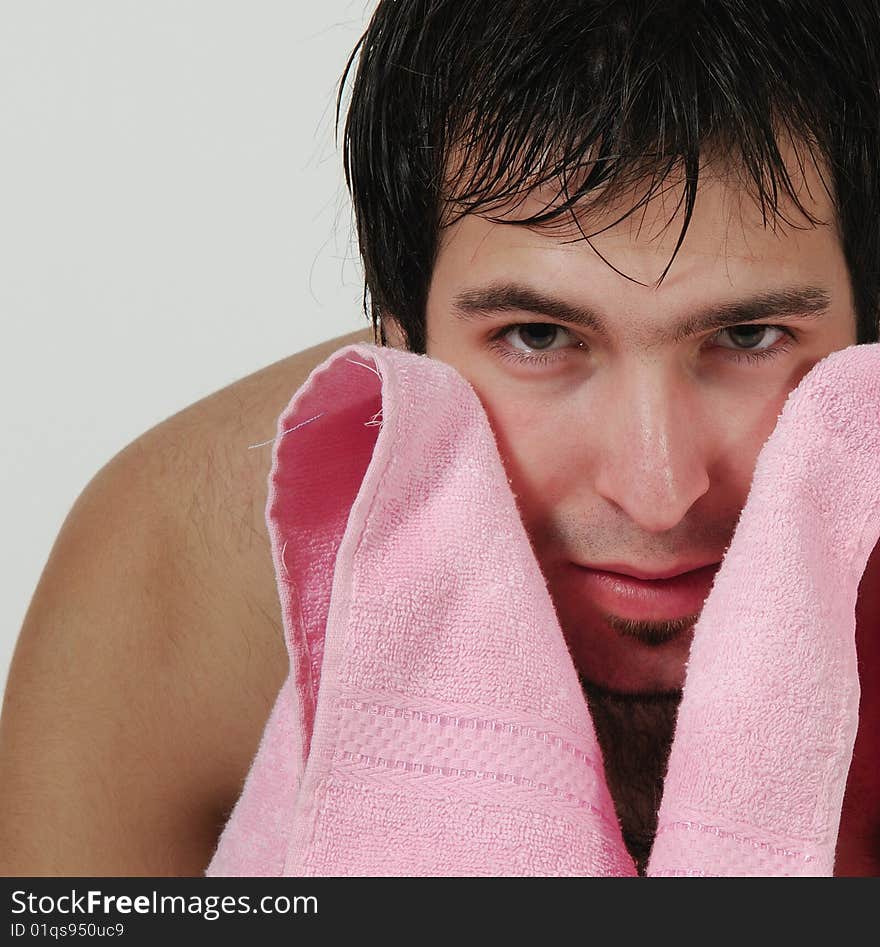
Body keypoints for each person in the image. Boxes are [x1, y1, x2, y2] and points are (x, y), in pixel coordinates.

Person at [1, 0, 878, 876]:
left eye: (747, 337)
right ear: (401, 343)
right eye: (538, 336)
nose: (655, 492)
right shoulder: (185, 556)